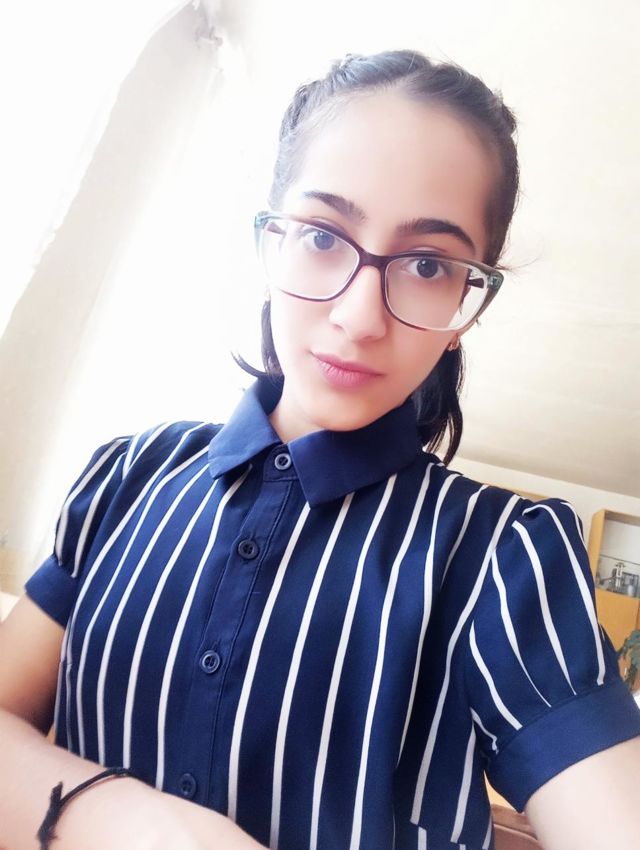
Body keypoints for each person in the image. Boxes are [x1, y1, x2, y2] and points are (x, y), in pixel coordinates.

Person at [0, 49, 639, 850]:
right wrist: (131, 821)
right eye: (322, 236)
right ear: (270, 244)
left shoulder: (501, 557)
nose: (360, 316)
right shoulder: (127, 476)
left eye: (427, 264)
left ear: (468, 305)